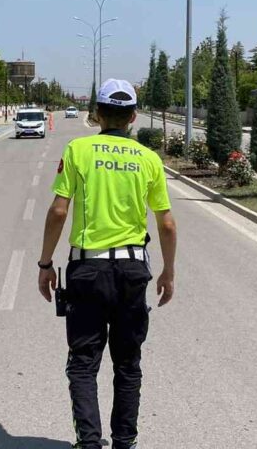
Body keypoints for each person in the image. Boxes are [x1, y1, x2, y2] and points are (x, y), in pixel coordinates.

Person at [37, 79, 178, 449]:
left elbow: (57, 211)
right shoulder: (148, 159)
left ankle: (89, 442)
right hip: (133, 272)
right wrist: (169, 271)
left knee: (84, 363)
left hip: (87, 271)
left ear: (97, 114)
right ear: (133, 117)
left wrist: (45, 263)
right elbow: (166, 223)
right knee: (127, 364)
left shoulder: (79, 150)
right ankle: (125, 443)